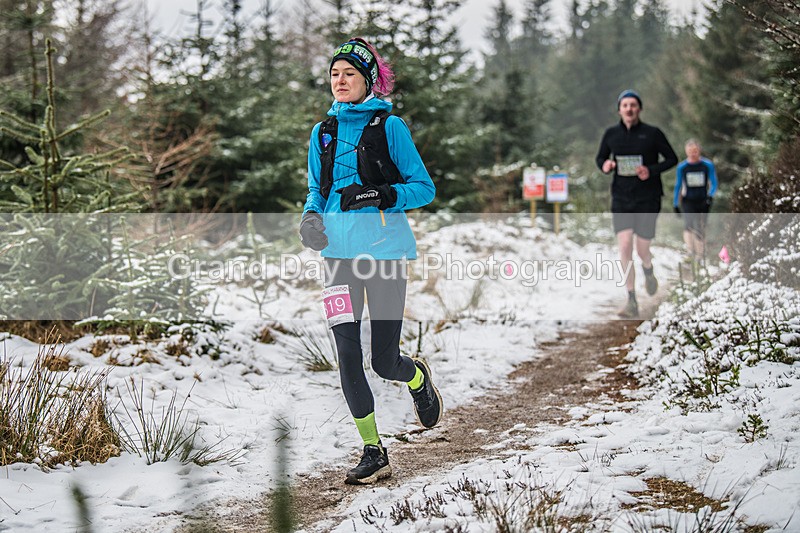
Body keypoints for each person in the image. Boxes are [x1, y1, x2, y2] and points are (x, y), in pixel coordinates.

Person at [298, 38, 441, 485]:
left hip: (384, 255)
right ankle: (373, 449)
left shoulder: (389, 125)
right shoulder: (322, 132)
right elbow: (316, 191)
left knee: (382, 361)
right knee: (345, 353)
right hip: (337, 259)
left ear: (367, 80)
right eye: (335, 74)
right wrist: (309, 218)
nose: (340, 81)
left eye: (350, 74)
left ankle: (416, 377)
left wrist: (382, 193)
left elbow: (424, 188)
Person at [596, 90, 678, 318]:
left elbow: (672, 158)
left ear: (639, 109)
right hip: (621, 197)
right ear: (619, 109)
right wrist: (605, 166)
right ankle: (631, 299)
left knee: (642, 249)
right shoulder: (611, 134)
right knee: (624, 246)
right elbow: (600, 158)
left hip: (647, 197)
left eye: (633, 105)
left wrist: (650, 171)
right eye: (625, 105)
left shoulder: (652, 134)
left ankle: (648, 270)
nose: (629, 109)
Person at [673, 139, 717, 262]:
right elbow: (678, 185)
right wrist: (675, 204)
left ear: (699, 151)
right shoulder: (682, 167)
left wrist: (710, 196)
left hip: (703, 200)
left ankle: (700, 255)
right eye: (690, 151)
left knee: (701, 227)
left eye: (695, 151)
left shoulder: (707, 165)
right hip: (688, 200)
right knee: (688, 225)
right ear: (686, 152)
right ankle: (690, 251)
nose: (693, 154)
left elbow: (714, 183)